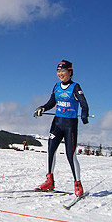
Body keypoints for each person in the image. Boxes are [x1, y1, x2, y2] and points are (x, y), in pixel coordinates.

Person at [33, 60, 89, 197]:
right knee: (51, 150)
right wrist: (42, 108)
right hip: (57, 123)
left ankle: (78, 184)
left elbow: (84, 103)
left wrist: (84, 114)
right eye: (58, 71)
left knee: (70, 155)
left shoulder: (75, 87)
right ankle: (49, 181)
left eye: (63, 71)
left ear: (70, 72)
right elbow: (52, 102)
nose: (60, 74)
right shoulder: (56, 86)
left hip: (70, 125)